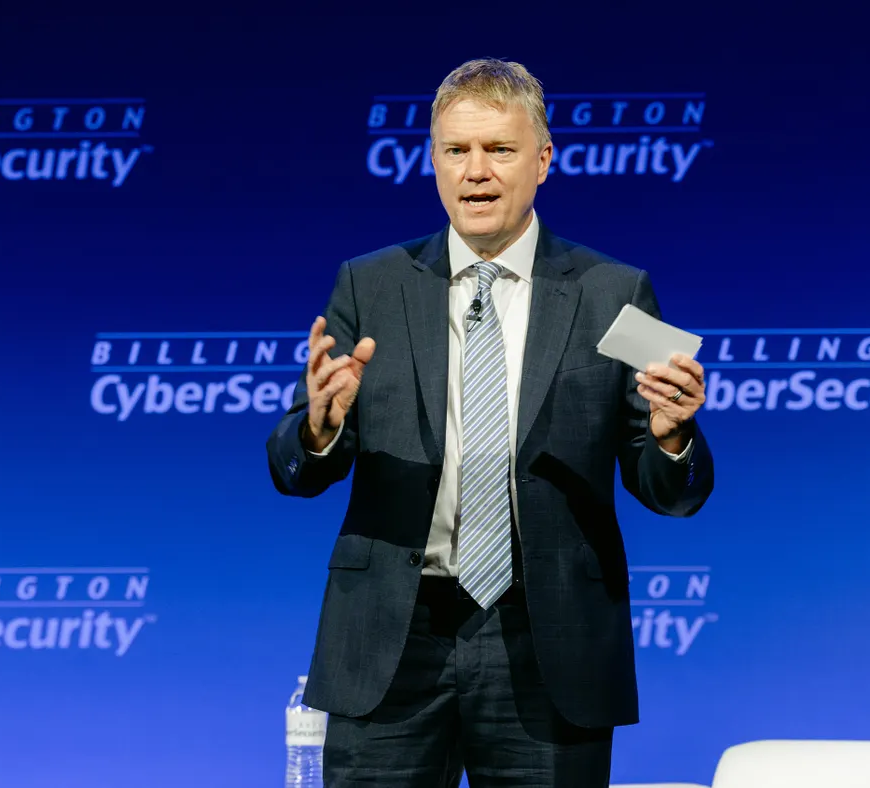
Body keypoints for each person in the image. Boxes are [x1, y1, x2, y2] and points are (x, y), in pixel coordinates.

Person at [267, 57, 714, 787]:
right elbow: (295, 466)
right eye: (457, 151)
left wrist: (670, 436)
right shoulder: (368, 286)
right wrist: (318, 429)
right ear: (434, 162)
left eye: (499, 150)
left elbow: (673, 486)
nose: (477, 171)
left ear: (543, 160)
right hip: (390, 641)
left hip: (547, 644)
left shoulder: (614, 291)